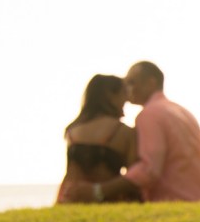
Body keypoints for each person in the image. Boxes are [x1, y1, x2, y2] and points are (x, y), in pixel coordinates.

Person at [70, 61, 200, 203]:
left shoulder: (149, 115)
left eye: (132, 82)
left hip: (176, 200)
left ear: (151, 83)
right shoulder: (181, 111)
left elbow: (149, 170)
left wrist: (98, 191)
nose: (128, 88)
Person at [56, 74, 139, 204]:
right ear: (111, 96)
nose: (127, 99)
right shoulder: (123, 131)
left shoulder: (72, 130)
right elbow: (133, 178)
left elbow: (69, 176)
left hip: (71, 200)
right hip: (108, 201)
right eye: (124, 93)